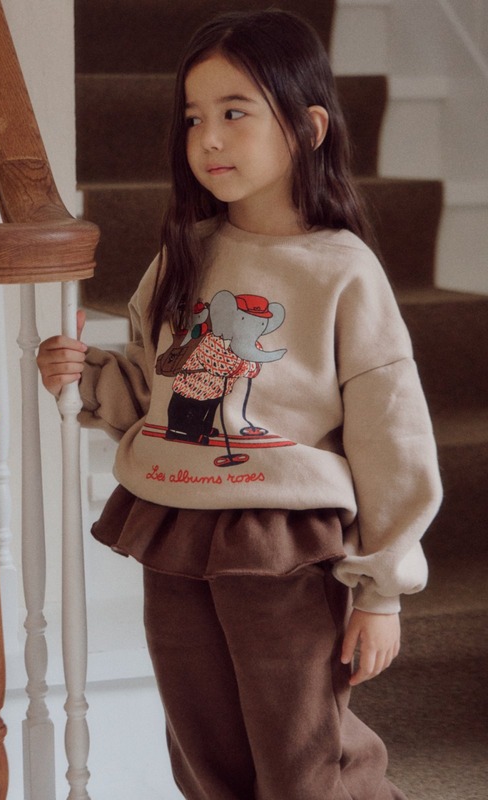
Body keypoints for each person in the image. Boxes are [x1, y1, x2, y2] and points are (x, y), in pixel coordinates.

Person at [37, 9, 442, 799]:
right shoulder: (183, 254)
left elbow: (392, 438)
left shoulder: (342, 271)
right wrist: (85, 377)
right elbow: (151, 393)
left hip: (283, 539)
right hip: (173, 523)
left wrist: (382, 589)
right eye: (194, 118)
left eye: (234, 113)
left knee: (303, 752)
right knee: (204, 750)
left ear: (308, 128)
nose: (208, 139)